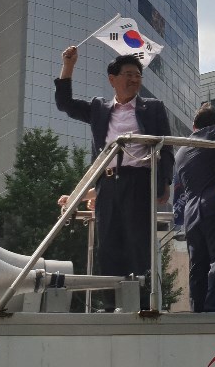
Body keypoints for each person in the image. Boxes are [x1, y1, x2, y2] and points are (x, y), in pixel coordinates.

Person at [55, 48, 173, 307]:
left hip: (139, 181)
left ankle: (143, 305)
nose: (134, 79)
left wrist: (165, 182)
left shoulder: (152, 107)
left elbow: (166, 147)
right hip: (107, 183)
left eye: (138, 75)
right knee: (107, 245)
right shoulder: (99, 108)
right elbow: (66, 105)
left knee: (138, 243)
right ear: (112, 79)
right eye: (128, 74)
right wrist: (68, 66)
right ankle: (111, 305)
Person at [173, 104, 215, 312]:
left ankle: (198, 309)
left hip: (191, 213)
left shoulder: (181, 151)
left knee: (198, 265)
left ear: (194, 126)